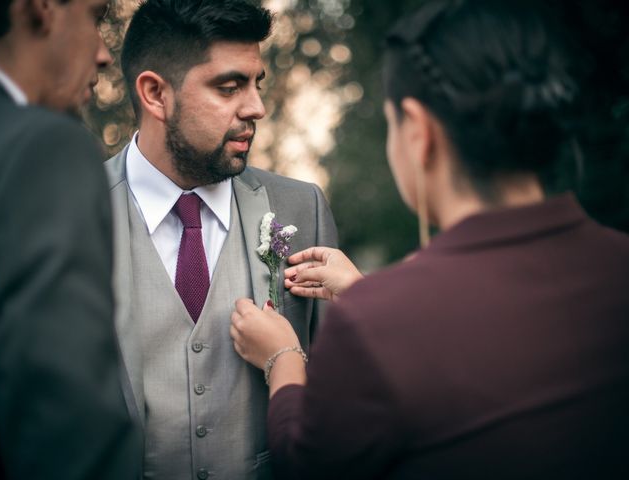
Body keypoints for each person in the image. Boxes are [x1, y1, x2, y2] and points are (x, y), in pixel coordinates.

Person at [230, 0, 629, 478]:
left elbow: (308, 467)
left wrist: (283, 358)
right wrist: (367, 295)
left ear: (417, 131)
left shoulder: (373, 324)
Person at [104, 0, 338, 478]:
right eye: (229, 87)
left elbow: (339, 390)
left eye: (256, 85)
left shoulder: (301, 209)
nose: (257, 107)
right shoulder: (69, 213)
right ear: (155, 94)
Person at [0, 0, 142, 478]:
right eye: (93, 17)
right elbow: (65, 423)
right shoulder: (41, 147)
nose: (102, 54)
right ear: (41, 8)